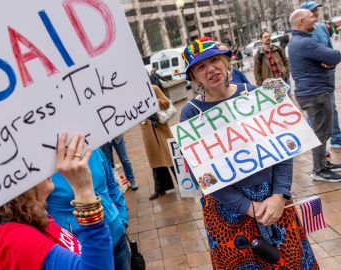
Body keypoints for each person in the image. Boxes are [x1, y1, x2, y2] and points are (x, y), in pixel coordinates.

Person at [180, 37, 318, 269]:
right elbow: (201, 175)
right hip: (226, 209)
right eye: (201, 67)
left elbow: (283, 148)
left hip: (273, 199)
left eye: (214, 60)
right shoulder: (191, 114)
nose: (210, 69)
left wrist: (279, 195)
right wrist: (247, 207)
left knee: (291, 261)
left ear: (225, 62)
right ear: (193, 76)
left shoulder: (252, 94)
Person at [0, 133, 114, 270]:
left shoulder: (34, 218)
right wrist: (83, 190)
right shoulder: (16, 240)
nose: (47, 168)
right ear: (15, 180)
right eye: (35, 163)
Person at [47, 147, 130, 270]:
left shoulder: (92, 149)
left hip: (116, 237)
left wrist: (121, 217)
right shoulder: (45, 169)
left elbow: (111, 183)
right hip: (83, 250)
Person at [289, 9, 341, 181]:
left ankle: (323, 165)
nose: (315, 19)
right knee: (321, 133)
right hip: (315, 94)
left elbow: (327, 60)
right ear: (301, 21)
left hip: (313, 92)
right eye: (311, 17)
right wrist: (329, 62)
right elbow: (334, 56)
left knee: (323, 132)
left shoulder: (298, 41)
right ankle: (319, 170)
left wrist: (328, 63)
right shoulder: (305, 43)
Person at [300, 1, 341, 149]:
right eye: (312, 11)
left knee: (333, 107)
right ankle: (314, 142)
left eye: (316, 10)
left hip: (328, 74)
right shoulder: (302, 33)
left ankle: (337, 138)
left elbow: (330, 50)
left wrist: (332, 64)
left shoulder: (322, 28)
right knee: (316, 112)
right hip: (314, 78)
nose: (316, 13)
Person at [140, 85, 176, 200]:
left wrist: (155, 101)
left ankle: (186, 183)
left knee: (171, 156)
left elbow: (166, 103)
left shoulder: (154, 88)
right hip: (147, 130)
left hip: (161, 127)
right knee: (155, 160)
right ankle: (160, 189)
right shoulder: (132, 94)